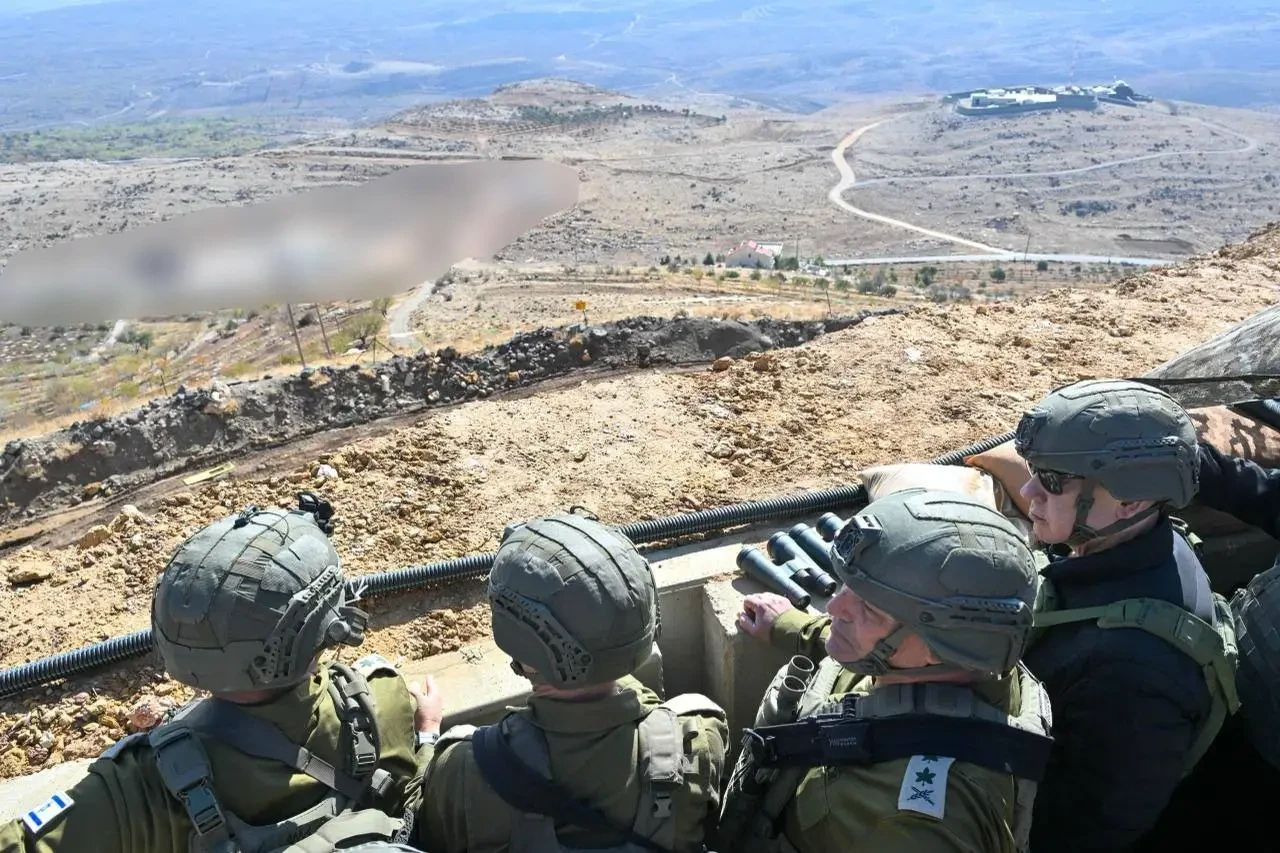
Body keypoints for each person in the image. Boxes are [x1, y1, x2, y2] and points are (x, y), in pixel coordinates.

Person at [2, 493, 440, 853]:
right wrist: (428, 737)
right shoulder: (379, 700)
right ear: (322, 631)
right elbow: (412, 805)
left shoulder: (137, 788)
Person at [726, 488, 1052, 853]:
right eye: (848, 586)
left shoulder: (914, 826)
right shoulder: (969, 657)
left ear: (938, 646)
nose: (834, 607)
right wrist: (791, 627)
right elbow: (880, 647)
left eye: (869, 608)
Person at [409, 512, 729, 853]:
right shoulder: (697, 739)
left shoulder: (465, 769)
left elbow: (419, 831)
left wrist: (427, 737)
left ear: (521, 645)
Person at [1012, 379, 1230, 852]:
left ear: (1130, 501)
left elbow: (1083, 832)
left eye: (1052, 481)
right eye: (1032, 470)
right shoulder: (1137, 543)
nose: (1028, 490)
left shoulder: (1132, 672)